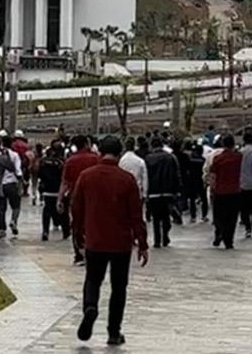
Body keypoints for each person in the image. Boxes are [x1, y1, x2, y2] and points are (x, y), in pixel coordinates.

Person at [71, 136, 149, 347]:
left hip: (94, 240)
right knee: (119, 287)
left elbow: (76, 208)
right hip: (120, 243)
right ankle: (114, 332)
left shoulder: (86, 177)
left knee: (93, 280)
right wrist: (142, 243)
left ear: (100, 152)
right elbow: (136, 214)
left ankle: (90, 307)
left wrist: (77, 235)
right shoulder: (127, 179)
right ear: (120, 152)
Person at [61, 135, 100, 265]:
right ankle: (93, 251)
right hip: (95, 197)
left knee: (77, 225)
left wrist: (60, 198)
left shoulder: (70, 161)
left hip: (75, 197)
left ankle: (79, 254)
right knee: (94, 224)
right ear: (86, 144)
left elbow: (65, 182)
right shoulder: (96, 158)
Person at [143, 136, 181, 248]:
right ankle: (165, 237)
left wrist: (147, 192)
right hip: (167, 191)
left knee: (155, 218)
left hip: (153, 192)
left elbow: (146, 176)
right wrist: (177, 190)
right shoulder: (171, 158)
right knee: (166, 216)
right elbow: (176, 175)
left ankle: (157, 240)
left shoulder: (147, 159)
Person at [208, 134, 242, 249]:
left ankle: (220, 232)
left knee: (219, 216)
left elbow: (213, 176)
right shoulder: (239, 157)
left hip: (220, 192)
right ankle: (229, 240)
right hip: (235, 191)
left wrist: (212, 190)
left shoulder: (217, 159)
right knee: (232, 217)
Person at [38, 143, 69, 241]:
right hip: (59, 190)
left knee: (47, 210)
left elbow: (39, 174)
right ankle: (65, 232)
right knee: (63, 211)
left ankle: (45, 231)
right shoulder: (62, 162)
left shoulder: (43, 162)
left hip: (47, 189)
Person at [0, 134, 25, 237]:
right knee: (16, 206)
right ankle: (13, 221)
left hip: (0, 184)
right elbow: (18, 171)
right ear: (12, 144)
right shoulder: (14, 155)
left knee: (2, 208)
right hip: (11, 184)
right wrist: (22, 183)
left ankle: (1, 229)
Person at [186, 142, 207, 223]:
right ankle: (204, 215)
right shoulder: (203, 160)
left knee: (192, 200)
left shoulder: (190, 160)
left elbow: (187, 171)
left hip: (192, 182)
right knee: (203, 199)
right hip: (201, 181)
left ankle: (193, 216)